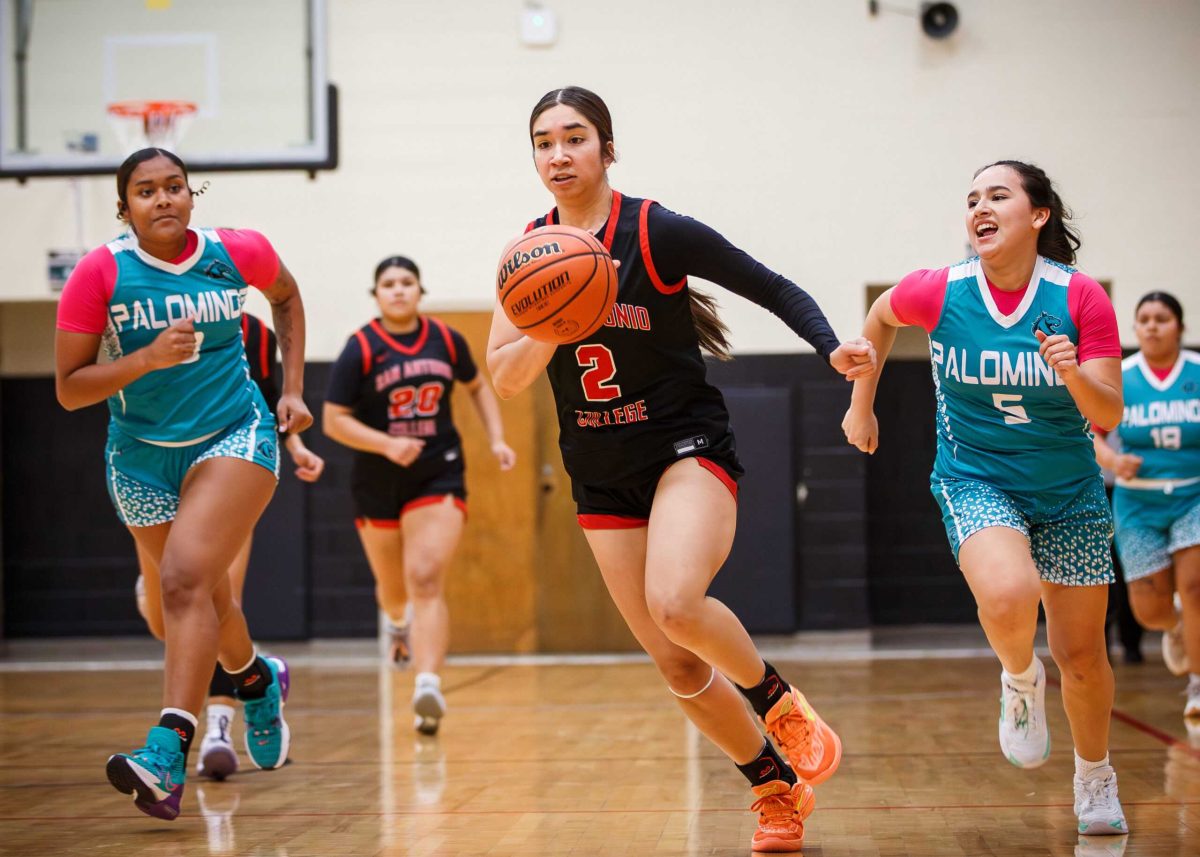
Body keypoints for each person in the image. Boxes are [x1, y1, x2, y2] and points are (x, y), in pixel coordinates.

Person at [486, 86, 875, 854]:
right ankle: (774, 790)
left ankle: (777, 697)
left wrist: (828, 344)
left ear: (606, 147)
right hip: (600, 469)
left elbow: (769, 283)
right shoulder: (529, 252)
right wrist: (552, 319)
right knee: (675, 664)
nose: (558, 154)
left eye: (574, 138)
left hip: (683, 447)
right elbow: (503, 376)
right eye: (543, 142)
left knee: (674, 600)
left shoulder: (655, 230)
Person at [842, 160, 1129, 835]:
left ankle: (1095, 776)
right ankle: (1020, 679)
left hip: (1070, 491)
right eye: (972, 198)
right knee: (1006, 592)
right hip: (975, 476)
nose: (980, 207)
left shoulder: (1081, 297)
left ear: (1038, 215)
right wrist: (862, 406)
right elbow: (879, 318)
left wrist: (1071, 373)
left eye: (998, 195)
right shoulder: (941, 289)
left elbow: (1109, 407)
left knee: (1083, 656)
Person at [55, 147, 311, 820]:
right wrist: (144, 357)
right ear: (125, 206)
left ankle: (165, 752)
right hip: (139, 457)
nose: (163, 198)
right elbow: (69, 390)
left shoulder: (239, 252)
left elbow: (287, 297)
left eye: (174, 186)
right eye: (146, 191)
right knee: (210, 602)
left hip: (234, 435)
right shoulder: (98, 274)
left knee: (181, 583)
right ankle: (258, 679)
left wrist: (292, 390)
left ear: (191, 195)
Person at [323, 255, 516, 735]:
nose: (398, 290)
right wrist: (387, 443)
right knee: (394, 590)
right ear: (377, 295)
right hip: (377, 477)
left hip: (438, 473)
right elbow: (333, 421)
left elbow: (478, 388)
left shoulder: (447, 340)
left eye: (407, 282)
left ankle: (427, 683)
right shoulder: (361, 348)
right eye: (388, 283)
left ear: (419, 290)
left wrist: (496, 438)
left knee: (425, 577)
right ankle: (396, 620)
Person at [133, 312, 325, 780]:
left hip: (226, 469)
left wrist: (294, 445)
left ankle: (217, 728)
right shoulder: (139, 314)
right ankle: (259, 674)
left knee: (218, 601)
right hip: (156, 471)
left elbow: (261, 395)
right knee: (167, 621)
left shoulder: (254, 331)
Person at [1093, 291, 1200, 717]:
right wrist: (1115, 461)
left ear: (1180, 326)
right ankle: (1175, 627)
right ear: (1135, 329)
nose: (1153, 325)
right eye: (1144, 319)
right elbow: (1094, 435)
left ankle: (1196, 683)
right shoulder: (1121, 376)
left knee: (1195, 588)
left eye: (1162, 318)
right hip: (1138, 502)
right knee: (1149, 611)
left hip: (1193, 493)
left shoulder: (1196, 372)